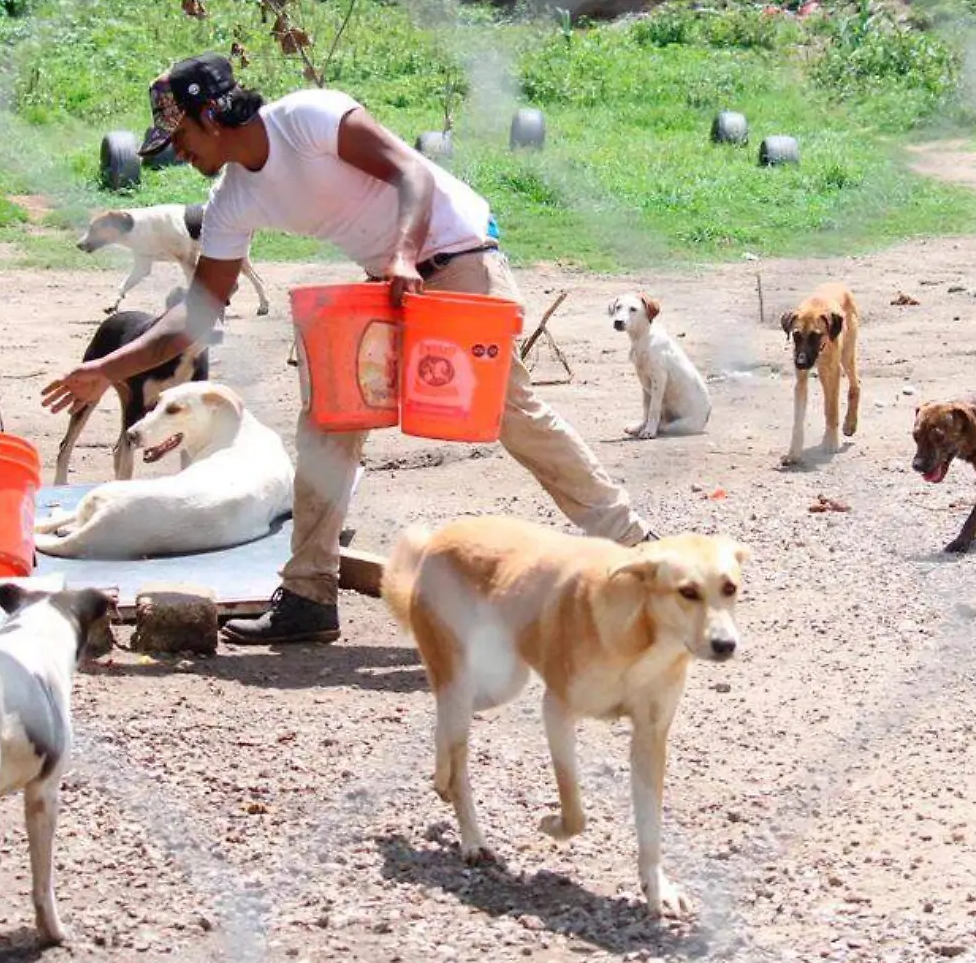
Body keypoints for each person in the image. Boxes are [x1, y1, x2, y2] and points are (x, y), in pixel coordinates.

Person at [42, 54, 654, 645]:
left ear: (211, 115)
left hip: (456, 255)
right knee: (329, 423)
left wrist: (402, 252)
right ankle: (309, 596)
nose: (177, 151)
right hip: (389, 280)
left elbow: (410, 171)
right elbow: (197, 311)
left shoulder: (308, 118)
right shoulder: (233, 198)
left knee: (508, 414)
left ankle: (637, 550)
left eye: (179, 136)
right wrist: (103, 369)